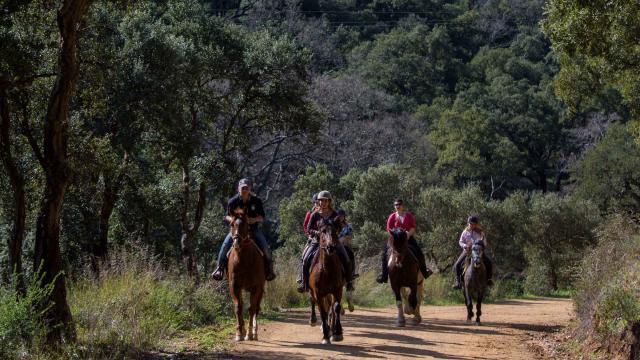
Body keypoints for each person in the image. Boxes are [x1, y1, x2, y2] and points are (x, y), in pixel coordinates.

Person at [211, 178, 276, 281]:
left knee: (265, 247)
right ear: (238, 189)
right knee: (224, 246)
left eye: (246, 187)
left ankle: (269, 270)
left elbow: (262, 217)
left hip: (253, 229)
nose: (244, 189)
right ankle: (219, 269)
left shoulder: (256, 201)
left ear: (250, 188)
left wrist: (253, 220)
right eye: (242, 188)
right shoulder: (233, 201)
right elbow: (227, 216)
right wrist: (233, 220)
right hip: (237, 230)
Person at [297, 191, 353, 293]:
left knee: (347, 257)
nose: (322, 202)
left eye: (325, 201)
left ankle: (349, 282)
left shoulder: (334, 214)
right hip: (317, 242)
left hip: (333, 241)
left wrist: (332, 234)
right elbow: (308, 229)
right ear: (318, 202)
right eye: (320, 201)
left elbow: (340, 228)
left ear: (329, 202)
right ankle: (304, 283)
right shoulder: (315, 214)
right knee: (305, 258)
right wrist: (320, 234)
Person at [376, 199, 431, 283]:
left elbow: (413, 227)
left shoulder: (409, 216)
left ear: (402, 206)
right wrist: (394, 235)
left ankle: (424, 271)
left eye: (399, 204)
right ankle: (384, 276)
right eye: (396, 205)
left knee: (419, 251)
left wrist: (408, 234)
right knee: (384, 254)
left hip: (408, 238)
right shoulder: (392, 216)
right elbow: (389, 229)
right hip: (396, 240)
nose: (397, 206)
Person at [452, 216, 493, 289]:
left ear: (476, 224)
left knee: (489, 263)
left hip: (478, 251)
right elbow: (460, 241)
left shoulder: (480, 232)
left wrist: (481, 243)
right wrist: (465, 245)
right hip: (467, 251)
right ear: (468, 223)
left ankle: (489, 280)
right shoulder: (465, 232)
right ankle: (458, 282)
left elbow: (485, 243)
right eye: (470, 223)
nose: (471, 225)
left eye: (473, 224)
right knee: (457, 265)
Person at [336, 209, 358, 279]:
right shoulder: (333, 225)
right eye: (339, 216)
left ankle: (352, 273)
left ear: (344, 216)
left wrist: (345, 239)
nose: (340, 217)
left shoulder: (348, 225)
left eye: (342, 216)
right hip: (335, 244)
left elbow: (350, 236)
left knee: (351, 254)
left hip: (345, 244)